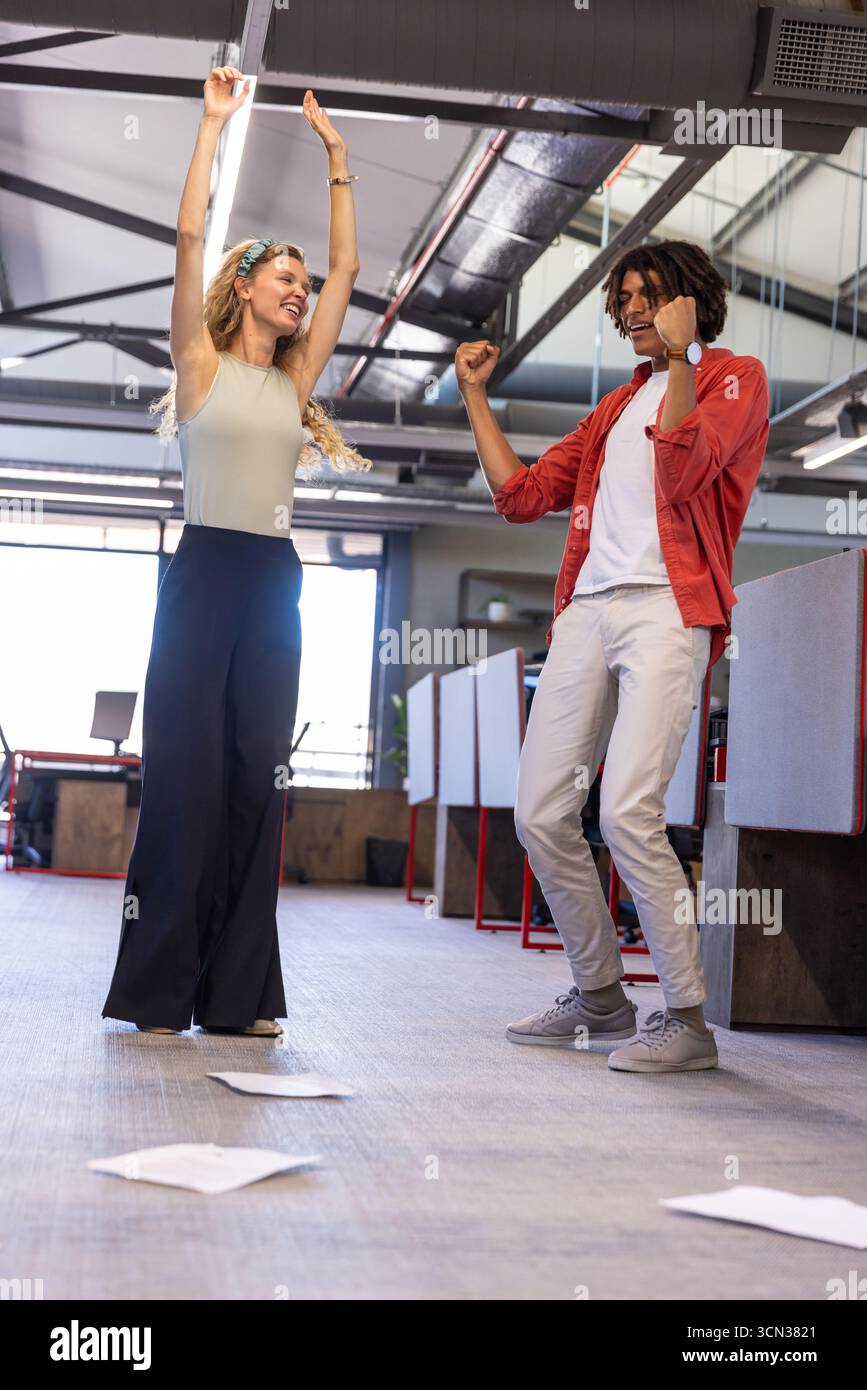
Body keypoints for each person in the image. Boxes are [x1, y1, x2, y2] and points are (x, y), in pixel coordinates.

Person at [456, 240, 769, 1073]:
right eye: (624, 297)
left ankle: (687, 1020)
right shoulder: (611, 409)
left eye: (649, 293)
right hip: (585, 612)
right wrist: (473, 396)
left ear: (689, 300)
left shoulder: (732, 377)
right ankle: (600, 996)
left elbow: (681, 470)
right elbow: (520, 497)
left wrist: (682, 353)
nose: (631, 308)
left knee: (628, 810)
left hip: (670, 608)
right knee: (540, 813)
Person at [102, 68, 368, 1037]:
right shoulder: (201, 363)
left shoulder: (297, 382)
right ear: (247, 284)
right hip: (203, 573)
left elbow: (347, 274)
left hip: (272, 579)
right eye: (284, 276)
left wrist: (341, 160)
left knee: (259, 774)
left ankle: (243, 993)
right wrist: (214, 127)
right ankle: (159, 990)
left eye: (302, 281)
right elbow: (184, 241)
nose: (301, 289)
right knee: (184, 777)